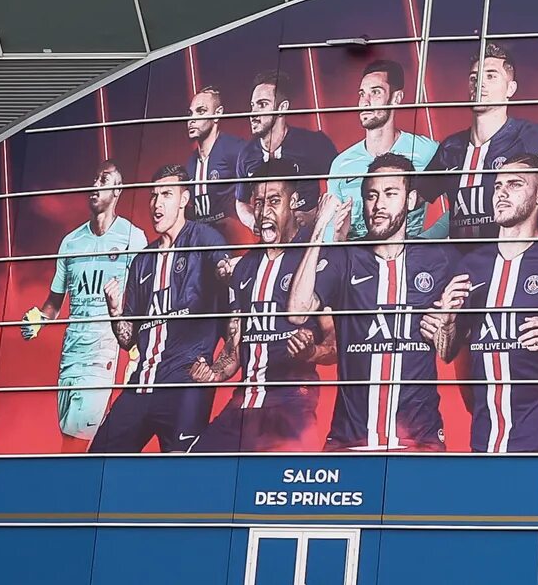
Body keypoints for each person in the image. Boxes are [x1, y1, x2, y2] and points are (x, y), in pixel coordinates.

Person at [427, 155, 538, 454]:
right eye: (497, 186)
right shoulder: (472, 264)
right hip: (482, 435)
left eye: (514, 184)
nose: (502, 193)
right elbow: (447, 352)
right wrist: (446, 322)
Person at [292, 154, 446, 452]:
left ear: (411, 199)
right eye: (372, 195)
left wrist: (448, 319)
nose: (379, 205)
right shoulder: (344, 258)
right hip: (349, 440)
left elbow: (453, 341)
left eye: (391, 194)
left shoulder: (437, 258)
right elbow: (298, 312)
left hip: (419, 440)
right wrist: (319, 230)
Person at [92, 164, 230, 454]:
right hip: (141, 383)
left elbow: (227, 277)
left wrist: (226, 269)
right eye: (154, 196)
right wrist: (115, 311)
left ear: (184, 199)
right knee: (96, 465)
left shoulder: (204, 239)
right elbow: (127, 339)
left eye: (167, 194)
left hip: (185, 385)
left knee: (178, 478)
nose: (157, 203)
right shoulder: (143, 261)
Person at [22, 161, 146, 446]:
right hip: (70, 357)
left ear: (118, 189)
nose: (95, 185)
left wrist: (137, 350)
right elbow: (54, 303)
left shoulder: (133, 239)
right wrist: (38, 320)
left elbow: (145, 299)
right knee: (70, 438)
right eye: (94, 179)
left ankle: (70, 489)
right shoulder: (71, 243)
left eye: (104, 180)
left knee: (74, 444)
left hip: (103, 353)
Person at [201, 161, 322, 452]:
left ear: (293, 203)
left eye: (274, 201)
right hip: (243, 404)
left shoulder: (312, 261)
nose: (264, 212)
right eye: (259, 202)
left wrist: (312, 351)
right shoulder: (243, 269)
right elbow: (233, 351)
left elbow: (333, 345)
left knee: (281, 486)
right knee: (194, 475)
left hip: (291, 404)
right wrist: (212, 372)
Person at [429, 46, 538, 245]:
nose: (480, 84)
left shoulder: (537, 139)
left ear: (511, 89)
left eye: (491, 76)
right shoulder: (451, 147)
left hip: (514, 264)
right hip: (461, 267)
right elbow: (413, 197)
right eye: (474, 78)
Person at [327, 56, 437, 239]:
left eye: (375, 92)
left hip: (405, 262)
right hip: (357, 263)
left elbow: (459, 201)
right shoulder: (341, 165)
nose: (365, 102)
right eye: (362, 94)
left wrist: (426, 242)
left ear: (396, 98)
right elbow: (330, 231)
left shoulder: (427, 152)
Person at [242, 78, 339, 205]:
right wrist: (255, 223)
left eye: (262, 105)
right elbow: (241, 202)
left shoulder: (314, 144)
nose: (253, 114)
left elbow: (343, 185)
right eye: (252, 106)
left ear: (282, 108)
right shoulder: (246, 154)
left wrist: (321, 218)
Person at [177, 87, 258, 229]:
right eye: (190, 113)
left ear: (217, 114)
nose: (192, 119)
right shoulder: (190, 164)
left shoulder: (235, 149)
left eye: (201, 111)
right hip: (204, 240)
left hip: (236, 238)